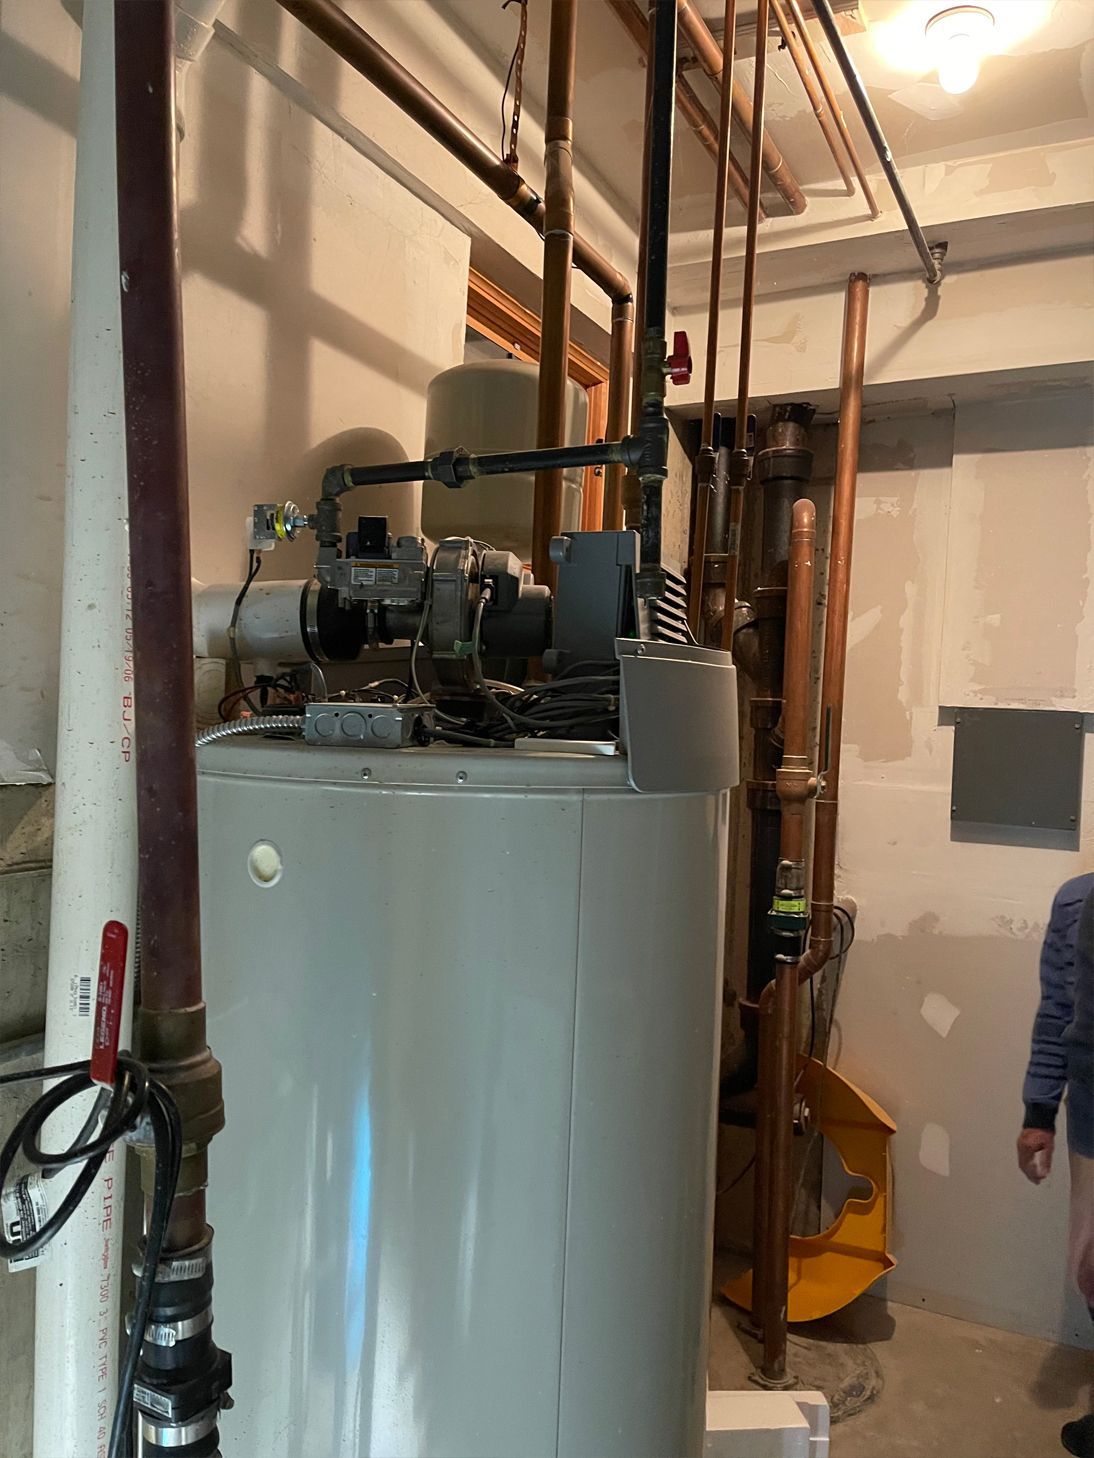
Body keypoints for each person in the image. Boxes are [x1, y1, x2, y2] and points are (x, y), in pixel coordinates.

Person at [1018, 872, 1094, 1458]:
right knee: (1092, 1271)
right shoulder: (1076, 900)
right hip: (1092, 1124)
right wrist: (1038, 1111)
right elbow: (1057, 1016)